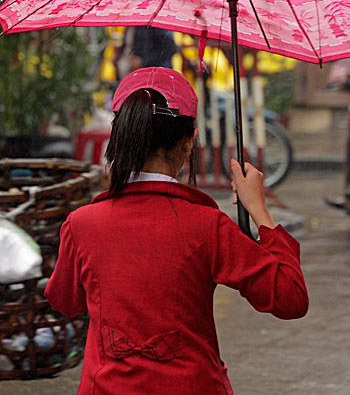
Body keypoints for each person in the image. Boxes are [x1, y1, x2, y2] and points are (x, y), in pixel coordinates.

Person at [45, 67, 308, 395]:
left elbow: (65, 301)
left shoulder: (81, 224)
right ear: (189, 142)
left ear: (120, 135)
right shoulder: (208, 225)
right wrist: (259, 210)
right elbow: (291, 298)